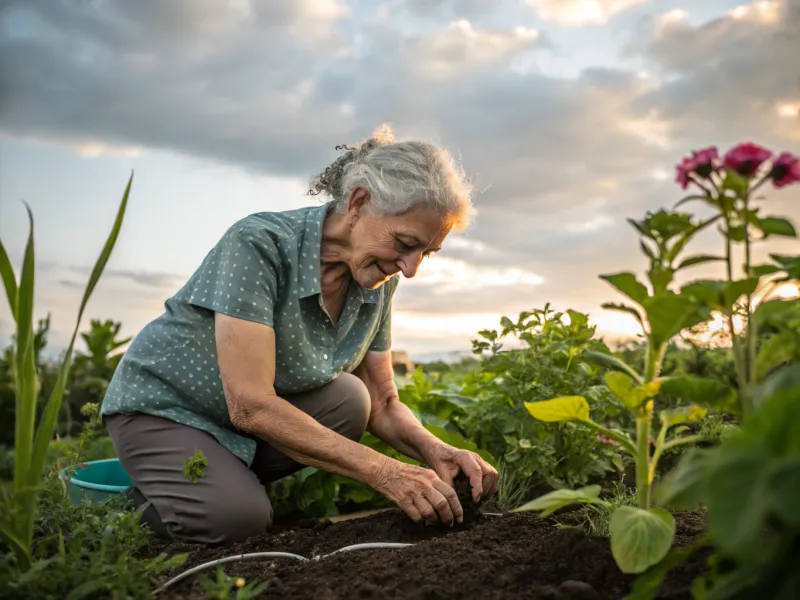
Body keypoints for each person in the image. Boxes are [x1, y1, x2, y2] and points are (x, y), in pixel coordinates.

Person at [100, 125, 498, 545]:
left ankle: (214, 487)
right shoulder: (260, 245)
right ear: (359, 202)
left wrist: (435, 450)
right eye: (405, 242)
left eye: (426, 253)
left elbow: (383, 402)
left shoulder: (378, 277)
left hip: (239, 427)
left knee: (352, 399)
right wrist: (387, 472)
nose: (412, 267)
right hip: (168, 410)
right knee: (239, 520)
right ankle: (112, 517)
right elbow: (250, 405)